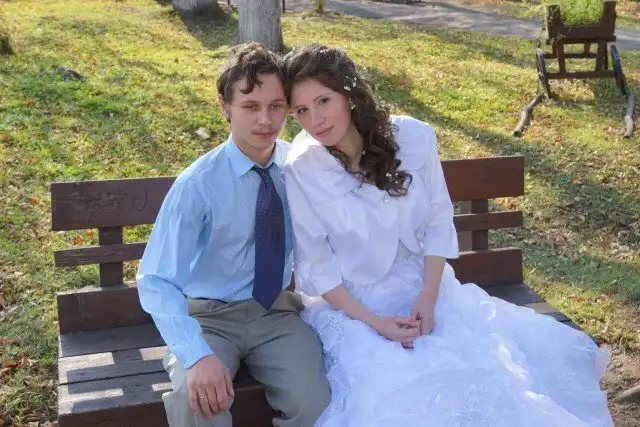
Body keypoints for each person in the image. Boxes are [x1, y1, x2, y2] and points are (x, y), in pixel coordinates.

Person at [282, 44, 614, 427]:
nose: (315, 120)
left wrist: (428, 297)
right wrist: (377, 323)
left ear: (349, 94)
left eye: (323, 101)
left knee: (483, 376)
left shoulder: (414, 137)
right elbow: (318, 266)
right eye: (301, 111)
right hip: (354, 308)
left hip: (426, 287)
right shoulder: (302, 168)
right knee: (401, 388)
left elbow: (439, 220)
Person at [137, 43, 330, 427]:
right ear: (225, 107)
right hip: (210, 318)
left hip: (276, 313)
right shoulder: (198, 185)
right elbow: (156, 279)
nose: (265, 120)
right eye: (250, 106)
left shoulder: (299, 168)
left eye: (276, 106)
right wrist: (196, 355)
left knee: (317, 403)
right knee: (198, 402)